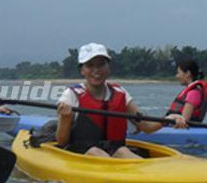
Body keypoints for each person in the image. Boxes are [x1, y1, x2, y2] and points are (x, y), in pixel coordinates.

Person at [56, 43, 185, 158]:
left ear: (108, 67)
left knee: (123, 151)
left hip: (115, 149)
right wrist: (66, 119)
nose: (96, 70)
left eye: (101, 64)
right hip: (82, 152)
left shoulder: (120, 92)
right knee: (96, 152)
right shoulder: (70, 95)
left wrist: (168, 118)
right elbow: (61, 141)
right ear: (82, 70)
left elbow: (145, 126)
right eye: (90, 65)